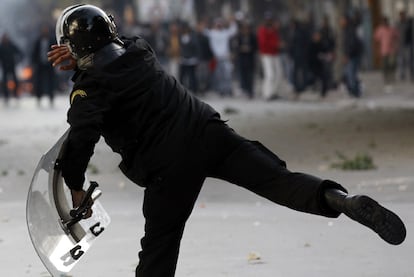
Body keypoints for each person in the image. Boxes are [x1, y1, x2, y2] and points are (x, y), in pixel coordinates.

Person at [48, 5, 406, 277]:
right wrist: (83, 51)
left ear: (75, 48)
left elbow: (81, 137)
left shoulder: (90, 89)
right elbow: (113, 45)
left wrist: (76, 187)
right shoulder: (140, 51)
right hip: (209, 132)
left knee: (159, 247)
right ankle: (339, 199)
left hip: (168, 168)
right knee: (278, 181)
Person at [257, 12, 282, 100]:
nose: (269, 21)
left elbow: (277, 40)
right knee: (270, 75)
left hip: (275, 54)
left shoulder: (274, 30)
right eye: (268, 20)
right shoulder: (262, 30)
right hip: (266, 54)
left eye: (270, 20)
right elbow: (263, 43)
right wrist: (276, 44)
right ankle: (267, 94)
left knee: (279, 74)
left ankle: (274, 92)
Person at [31, 25, 57, 107]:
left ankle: (51, 98)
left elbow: (55, 50)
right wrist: (34, 62)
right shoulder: (38, 41)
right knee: (39, 82)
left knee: (50, 81)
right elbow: (34, 52)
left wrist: (55, 61)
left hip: (50, 64)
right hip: (40, 64)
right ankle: (39, 97)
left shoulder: (51, 40)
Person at [340, 14, 364, 98]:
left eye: (342, 20)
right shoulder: (348, 29)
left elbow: (351, 44)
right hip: (353, 55)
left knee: (351, 74)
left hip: (352, 56)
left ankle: (355, 92)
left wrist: (347, 55)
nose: (341, 22)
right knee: (351, 74)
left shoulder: (350, 30)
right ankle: (354, 91)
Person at [0, 33, 23, 105]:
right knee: (4, 82)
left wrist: (18, 60)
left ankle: (15, 94)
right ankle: (6, 96)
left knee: (15, 81)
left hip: (12, 66)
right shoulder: (1, 47)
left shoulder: (11, 45)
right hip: (5, 66)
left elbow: (20, 53)